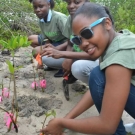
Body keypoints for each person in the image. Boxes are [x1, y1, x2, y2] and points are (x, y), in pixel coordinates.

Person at [40, 2, 135, 135]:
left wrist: (62, 123)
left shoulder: (119, 56)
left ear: (107, 24)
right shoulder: (115, 41)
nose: (83, 43)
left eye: (87, 32)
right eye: (77, 40)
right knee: (98, 75)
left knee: (97, 74)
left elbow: (106, 126)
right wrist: (66, 119)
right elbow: (98, 87)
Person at [41, 0, 99, 84]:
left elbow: (94, 55)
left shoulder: (95, 20)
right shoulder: (71, 18)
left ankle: (97, 86)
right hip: (76, 56)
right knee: (46, 58)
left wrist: (64, 55)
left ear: (87, 2)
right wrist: (68, 59)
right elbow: (70, 41)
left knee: (78, 67)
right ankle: (71, 73)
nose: (71, 6)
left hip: (93, 59)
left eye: (76, 2)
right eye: (68, 3)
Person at [28, 0, 68, 77]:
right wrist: (48, 45)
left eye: (41, 6)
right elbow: (46, 37)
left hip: (64, 43)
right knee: (31, 39)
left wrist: (56, 48)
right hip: (53, 41)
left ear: (48, 5)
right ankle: (51, 65)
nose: (37, 10)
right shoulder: (41, 19)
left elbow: (72, 39)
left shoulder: (59, 18)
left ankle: (62, 66)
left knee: (36, 51)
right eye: (35, 7)